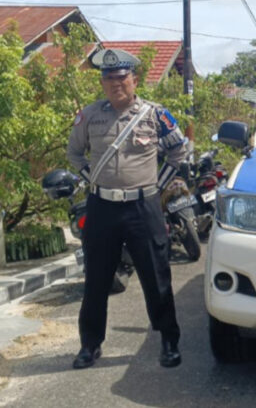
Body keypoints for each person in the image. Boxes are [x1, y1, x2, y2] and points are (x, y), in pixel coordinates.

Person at [66, 49, 188, 369]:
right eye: (108, 79)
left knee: (155, 276)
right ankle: (90, 344)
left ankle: (168, 340)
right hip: (102, 206)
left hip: (142, 206)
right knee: (96, 279)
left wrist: (158, 186)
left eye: (121, 78)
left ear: (133, 79)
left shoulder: (154, 114)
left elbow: (178, 151)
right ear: (102, 83)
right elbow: (75, 154)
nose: (115, 84)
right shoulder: (90, 115)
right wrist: (90, 179)